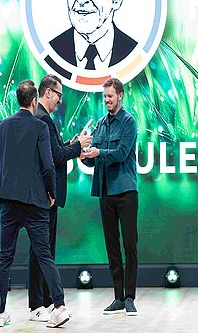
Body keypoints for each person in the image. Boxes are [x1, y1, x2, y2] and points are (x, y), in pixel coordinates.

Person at [0, 80, 70, 328]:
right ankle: (59, 307)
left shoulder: (3, 125)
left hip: (8, 202)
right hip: (35, 202)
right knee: (44, 255)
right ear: (35, 100)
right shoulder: (40, 126)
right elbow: (48, 165)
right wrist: (51, 193)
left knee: (4, 257)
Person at [28, 75, 92, 321]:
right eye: (59, 95)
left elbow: (54, 150)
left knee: (42, 251)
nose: (60, 100)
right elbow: (54, 157)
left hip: (42, 196)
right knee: (42, 252)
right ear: (47, 93)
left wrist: (71, 145)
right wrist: (77, 147)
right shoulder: (43, 120)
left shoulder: (42, 119)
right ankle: (39, 304)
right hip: (45, 197)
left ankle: (43, 303)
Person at [81, 78, 139, 315]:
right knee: (112, 245)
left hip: (125, 191)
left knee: (129, 244)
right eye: (104, 96)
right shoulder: (101, 124)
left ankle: (130, 297)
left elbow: (122, 153)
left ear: (120, 95)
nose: (106, 100)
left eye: (110, 96)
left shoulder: (129, 122)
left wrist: (99, 152)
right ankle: (118, 297)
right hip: (105, 191)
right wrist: (83, 154)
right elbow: (95, 157)